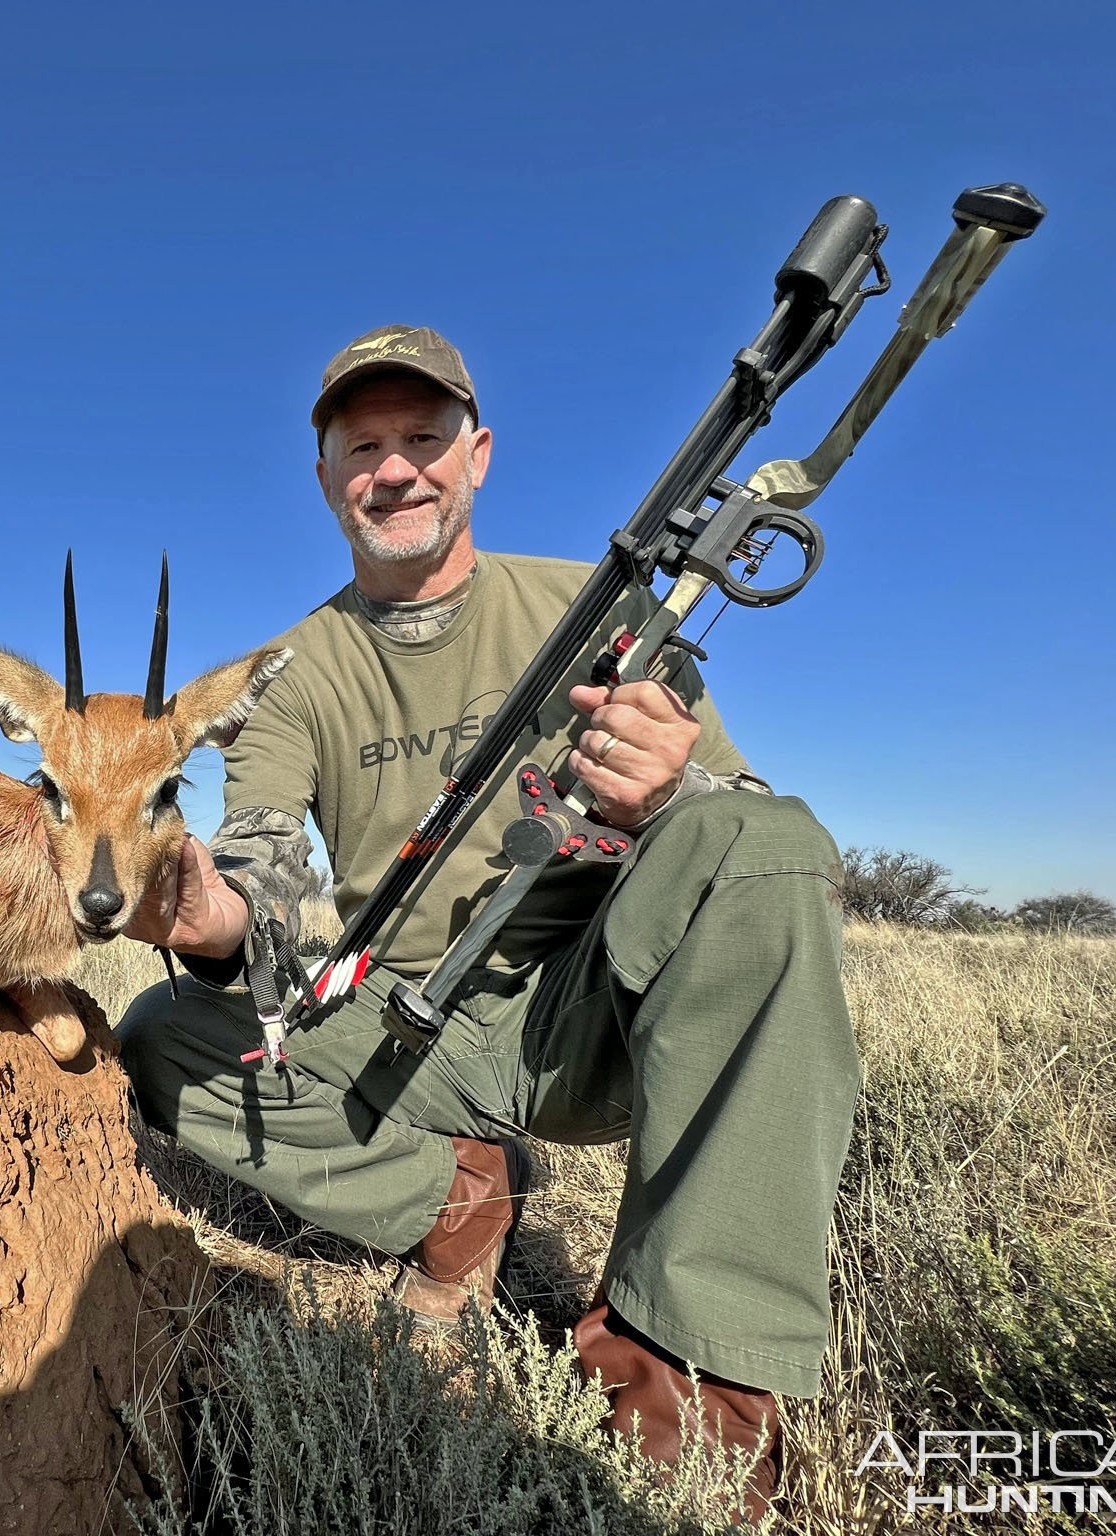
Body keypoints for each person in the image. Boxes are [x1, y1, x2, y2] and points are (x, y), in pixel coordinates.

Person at [116, 324, 863, 1519]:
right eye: (363, 445)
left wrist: (669, 788)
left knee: (762, 845)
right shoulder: (288, 675)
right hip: (403, 1029)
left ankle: (693, 1369)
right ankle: (456, 1198)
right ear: (323, 476)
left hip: (592, 1014)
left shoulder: (594, 607)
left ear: (477, 457)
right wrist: (204, 915)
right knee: (162, 1032)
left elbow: (734, 822)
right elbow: (259, 864)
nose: (394, 468)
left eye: (423, 438)